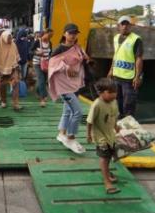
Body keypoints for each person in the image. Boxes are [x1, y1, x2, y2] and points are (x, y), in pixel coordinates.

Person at [48, 23, 88, 154]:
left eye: (75, 33)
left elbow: (82, 61)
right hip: (63, 86)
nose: (73, 36)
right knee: (77, 112)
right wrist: (65, 67)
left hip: (74, 83)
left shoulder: (78, 48)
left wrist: (85, 58)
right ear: (64, 34)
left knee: (67, 111)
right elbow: (52, 65)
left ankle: (61, 134)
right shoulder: (58, 49)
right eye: (70, 33)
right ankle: (71, 137)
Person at [87, 77, 120, 194]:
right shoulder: (97, 105)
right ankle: (107, 182)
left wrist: (116, 127)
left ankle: (107, 173)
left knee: (110, 155)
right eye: (110, 92)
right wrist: (89, 135)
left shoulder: (114, 102)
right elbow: (89, 121)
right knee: (104, 157)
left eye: (115, 92)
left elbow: (114, 115)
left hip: (111, 135)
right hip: (100, 137)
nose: (113, 95)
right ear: (101, 92)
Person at [108, 15, 143, 118]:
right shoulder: (116, 38)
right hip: (116, 76)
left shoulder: (136, 39)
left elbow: (139, 58)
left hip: (129, 77)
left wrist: (137, 76)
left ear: (131, 26)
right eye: (122, 24)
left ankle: (129, 125)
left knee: (129, 103)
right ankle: (119, 124)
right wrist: (111, 70)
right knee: (117, 101)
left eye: (127, 24)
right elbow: (116, 55)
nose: (125, 26)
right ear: (119, 26)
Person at [0, 30, 22, 110]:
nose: (10, 40)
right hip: (2, 70)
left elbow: (16, 55)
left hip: (13, 68)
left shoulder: (13, 45)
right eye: (8, 38)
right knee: (3, 86)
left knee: (16, 84)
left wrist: (17, 67)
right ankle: (3, 101)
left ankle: (15, 103)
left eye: (11, 37)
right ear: (4, 38)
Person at [30, 28, 53, 107]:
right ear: (45, 33)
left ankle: (37, 91)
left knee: (43, 80)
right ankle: (42, 99)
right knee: (41, 79)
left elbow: (50, 53)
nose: (50, 37)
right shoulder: (37, 42)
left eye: (51, 36)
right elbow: (30, 51)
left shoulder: (50, 43)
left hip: (46, 64)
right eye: (49, 35)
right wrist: (37, 52)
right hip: (37, 63)